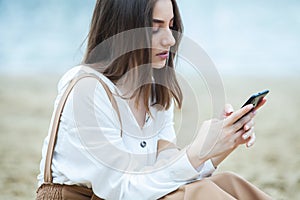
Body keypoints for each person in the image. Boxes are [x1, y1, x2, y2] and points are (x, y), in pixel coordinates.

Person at [36, 0, 272, 199]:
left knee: (228, 181)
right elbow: (120, 190)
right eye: (155, 27)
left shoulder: (151, 92)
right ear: (123, 30)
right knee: (202, 192)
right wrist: (196, 153)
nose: (170, 39)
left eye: (171, 26)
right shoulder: (87, 90)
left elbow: (165, 171)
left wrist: (219, 145)